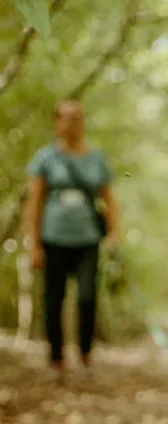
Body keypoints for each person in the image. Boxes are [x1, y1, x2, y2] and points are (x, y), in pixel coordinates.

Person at [24, 99, 120, 378]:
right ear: (57, 122)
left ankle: (85, 356)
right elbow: (35, 202)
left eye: (77, 117)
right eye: (66, 117)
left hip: (87, 239)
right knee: (53, 299)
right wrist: (34, 244)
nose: (72, 122)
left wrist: (114, 233)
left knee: (87, 297)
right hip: (53, 238)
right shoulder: (46, 158)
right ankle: (56, 360)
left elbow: (109, 199)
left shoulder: (97, 158)